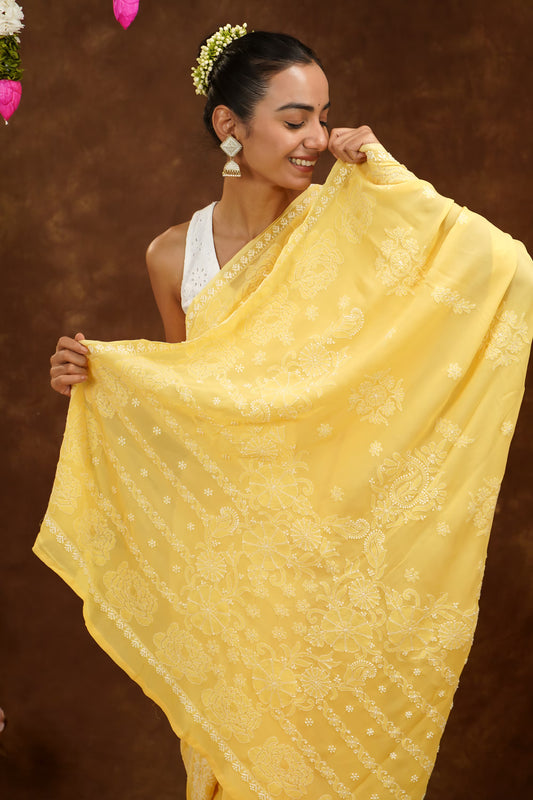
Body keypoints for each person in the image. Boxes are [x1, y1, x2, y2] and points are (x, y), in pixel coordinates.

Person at [40, 26, 532, 800]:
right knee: (236, 766)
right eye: (295, 119)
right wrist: (103, 376)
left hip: (334, 555)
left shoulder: (353, 226)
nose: (318, 138)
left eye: (324, 117)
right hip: (234, 561)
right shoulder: (174, 254)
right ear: (229, 127)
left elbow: (500, 266)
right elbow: (196, 396)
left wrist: (392, 178)